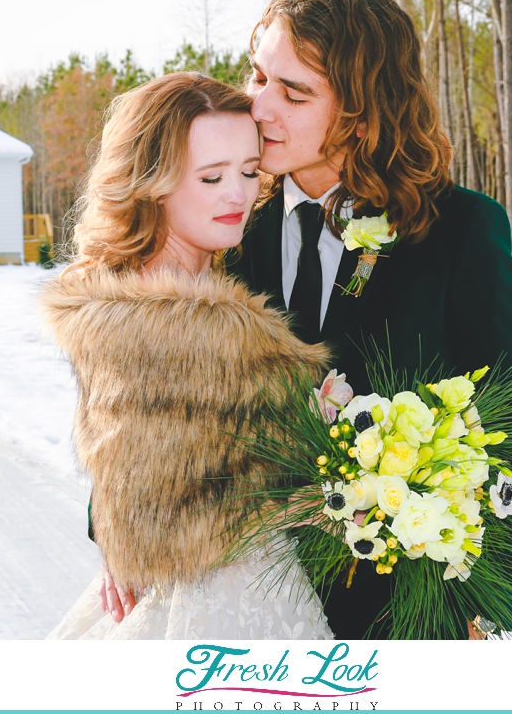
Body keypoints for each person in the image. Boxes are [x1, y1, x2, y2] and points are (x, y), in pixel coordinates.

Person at [230, 0, 512, 640]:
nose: (258, 107)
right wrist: (125, 525)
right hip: (242, 611)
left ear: (362, 109)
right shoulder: (222, 224)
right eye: (257, 76)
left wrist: (473, 602)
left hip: (397, 627)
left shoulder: (461, 231)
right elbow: (148, 386)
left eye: (294, 92)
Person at [42, 72, 333, 640]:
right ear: (153, 181)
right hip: (215, 590)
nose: (238, 194)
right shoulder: (177, 327)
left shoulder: (204, 279)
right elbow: (145, 464)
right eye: (211, 176)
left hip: (235, 583)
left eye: (251, 171)